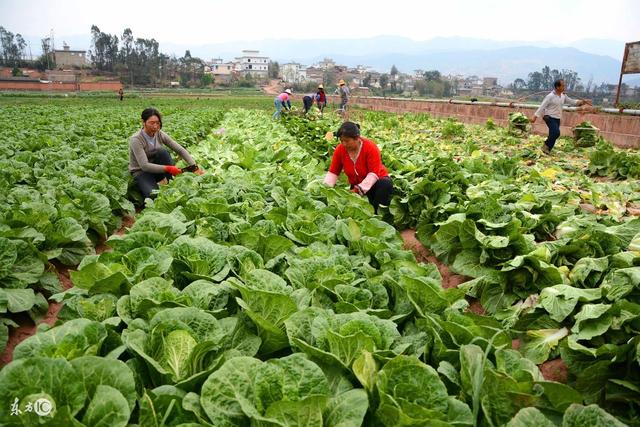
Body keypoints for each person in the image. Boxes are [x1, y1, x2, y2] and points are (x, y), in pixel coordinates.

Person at [129, 107, 201, 201]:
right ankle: (147, 185)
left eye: (157, 123)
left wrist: (194, 167)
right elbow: (144, 166)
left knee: (162, 151)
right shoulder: (136, 139)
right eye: (151, 123)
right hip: (141, 172)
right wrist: (169, 168)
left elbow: (180, 150)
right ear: (143, 122)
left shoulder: (159, 134)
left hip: (158, 169)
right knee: (154, 196)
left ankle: (170, 182)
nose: (155, 126)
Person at [323, 121, 393, 213]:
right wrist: (325, 190)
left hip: (375, 182)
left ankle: (378, 215)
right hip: (356, 184)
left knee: (385, 185)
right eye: (341, 141)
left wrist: (356, 190)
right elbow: (333, 172)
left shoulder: (370, 147)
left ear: (357, 138)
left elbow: (373, 174)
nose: (344, 144)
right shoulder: (340, 150)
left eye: (347, 141)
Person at [531, 79, 590, 154]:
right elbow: (542, 107)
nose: (564, 87)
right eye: (563, 86)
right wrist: (535, 117)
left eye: (564, 85)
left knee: (553, 134)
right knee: (556, 133)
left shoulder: (563, 96)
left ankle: (547, 150)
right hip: (549, 117)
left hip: (557, 118)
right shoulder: (550, 96)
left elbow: (571, 101)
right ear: (557, 87)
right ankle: (546, 145)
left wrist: (581, 102)